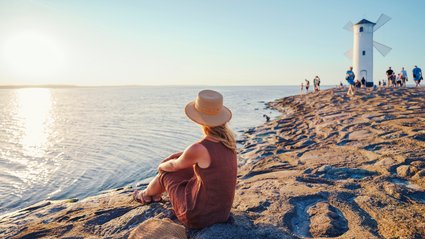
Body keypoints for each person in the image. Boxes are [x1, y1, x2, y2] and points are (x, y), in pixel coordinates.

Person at [132, 90, 237, 229]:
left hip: (198, 217)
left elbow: (173, 166)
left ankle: (144, 194)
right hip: (221, 214)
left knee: (166, 174)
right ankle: (154, 194)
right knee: (183, 166)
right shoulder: (229, 142)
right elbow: (193, 158)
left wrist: (161, 166)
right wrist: (177, 157)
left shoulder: (199, 148)